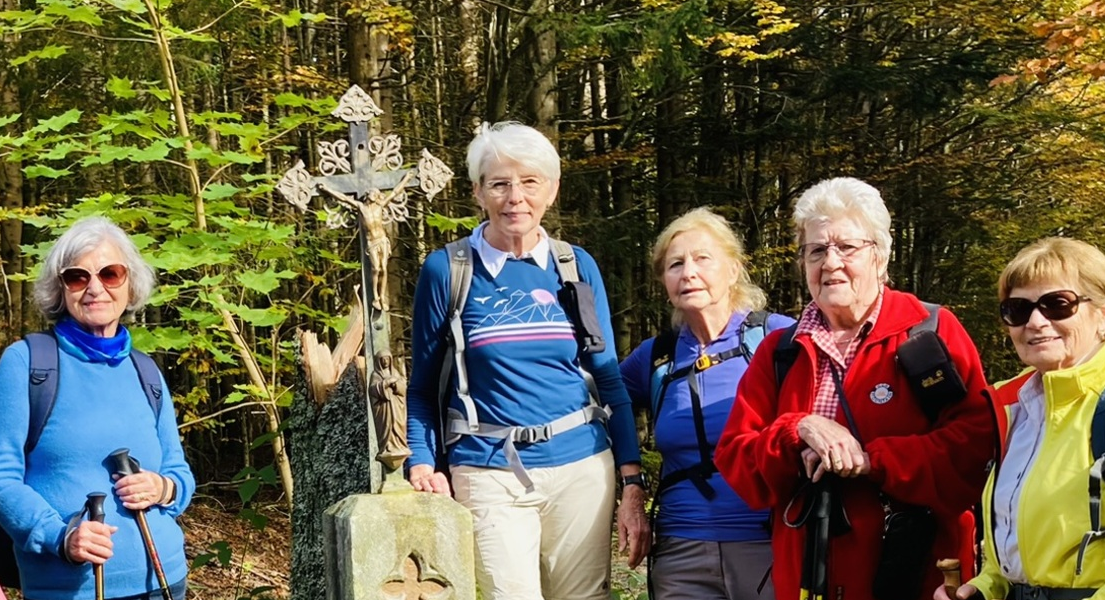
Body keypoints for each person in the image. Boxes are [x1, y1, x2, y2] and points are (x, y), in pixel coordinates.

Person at [715, 177, 997, 600]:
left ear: (880, 257)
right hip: (810, 576)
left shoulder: (929, 332)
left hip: (918, 576)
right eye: (816, 250)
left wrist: (872, 461)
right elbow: (738, 462)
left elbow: (973, 451)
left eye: (847, 247)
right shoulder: (780, 352)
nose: (830, 263)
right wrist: (797, 428)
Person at [403, 122, 644, 600]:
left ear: (551, 190)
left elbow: (608, 378)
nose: (516, 196)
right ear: (477, 192)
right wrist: (423, 459)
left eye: (530, 181)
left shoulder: (575, 266)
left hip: (582, 467)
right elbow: (423, 387)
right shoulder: (447, 270)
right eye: (500, 183)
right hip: (488, 467)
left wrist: (631, 477)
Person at [938, 238, 1105, 600]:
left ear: (1103, 311)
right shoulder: (1016, 411)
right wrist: (989, 587)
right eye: (1018, 310)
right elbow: (1030, 555)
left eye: (1057, 305)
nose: (1036, 322)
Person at [0, 216, 194, 600]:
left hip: (164, 580)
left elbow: (178, 469)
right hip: (67, 588)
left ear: (130, 285)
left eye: (110, 274)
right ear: (60, 289)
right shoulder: (28, 363)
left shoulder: (144, 370)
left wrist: (163, 488)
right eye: (78, 277)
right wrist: (61, 537)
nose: (95, 288)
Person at [618, 208, 790, 600]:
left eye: (702, 259)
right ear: (664, 281)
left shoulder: (776, 337)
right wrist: (631, 484)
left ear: (733, 270)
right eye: (675, 264)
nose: (688, 272)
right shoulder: (657, 356)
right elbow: (601, 402)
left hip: (769, 543)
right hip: (681, 550)